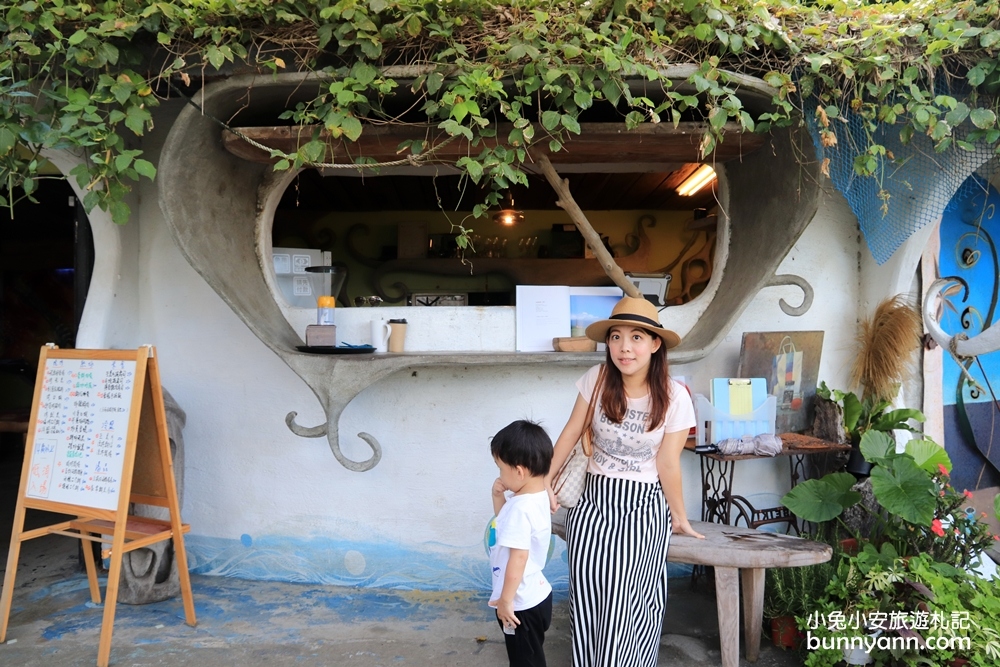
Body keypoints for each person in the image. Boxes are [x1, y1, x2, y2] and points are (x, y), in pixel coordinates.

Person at [547, 296, 704, 667]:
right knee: (588, 598)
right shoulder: (598, 379)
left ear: (654, 344)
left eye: (636, 337)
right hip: (592, 504)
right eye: (615, 337)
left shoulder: (675, 397)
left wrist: (679, 516)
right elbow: (570, 434)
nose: (624, 347)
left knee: (627, 603)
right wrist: (543, 482)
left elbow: (668, 463)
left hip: (643, 507)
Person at [488, 420, 555, 667]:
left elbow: (518, 557)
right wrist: (498, 496)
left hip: (520, 604)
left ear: (519, 471)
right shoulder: (535, 498)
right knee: (530, 656)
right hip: (536, 595)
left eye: (501, 469)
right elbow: (505, 525)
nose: (500, 476)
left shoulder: (521, 508)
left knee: (525, 662)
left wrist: (506, 601)